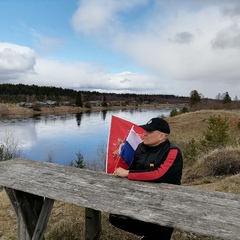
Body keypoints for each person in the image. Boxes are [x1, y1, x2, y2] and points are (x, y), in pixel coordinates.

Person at [109, 117, 183, 240]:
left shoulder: (172, 152)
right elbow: (133, 167)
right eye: (145, 131)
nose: (145, 134)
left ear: (161, 136)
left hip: (166, 202)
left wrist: (128, 173)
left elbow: (159, 174)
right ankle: (150, 234)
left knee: (161, 232)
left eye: (149, 132)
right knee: (115, 218)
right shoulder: (141, 147)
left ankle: (156, 235)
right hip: (142, 197)